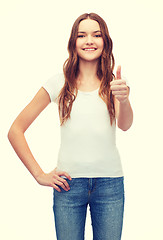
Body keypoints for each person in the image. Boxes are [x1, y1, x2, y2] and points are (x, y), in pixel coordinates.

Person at [8, 12, 133, 240]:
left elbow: (125, 125)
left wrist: (124, 99)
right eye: (81, 35)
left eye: (96, 35)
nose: (89, 41)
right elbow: (15, 129)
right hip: (68, 186)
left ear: (105, 41)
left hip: (110, 185)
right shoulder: (59, 82)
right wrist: (38, 174)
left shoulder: (114, 83)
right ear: (73, 42)